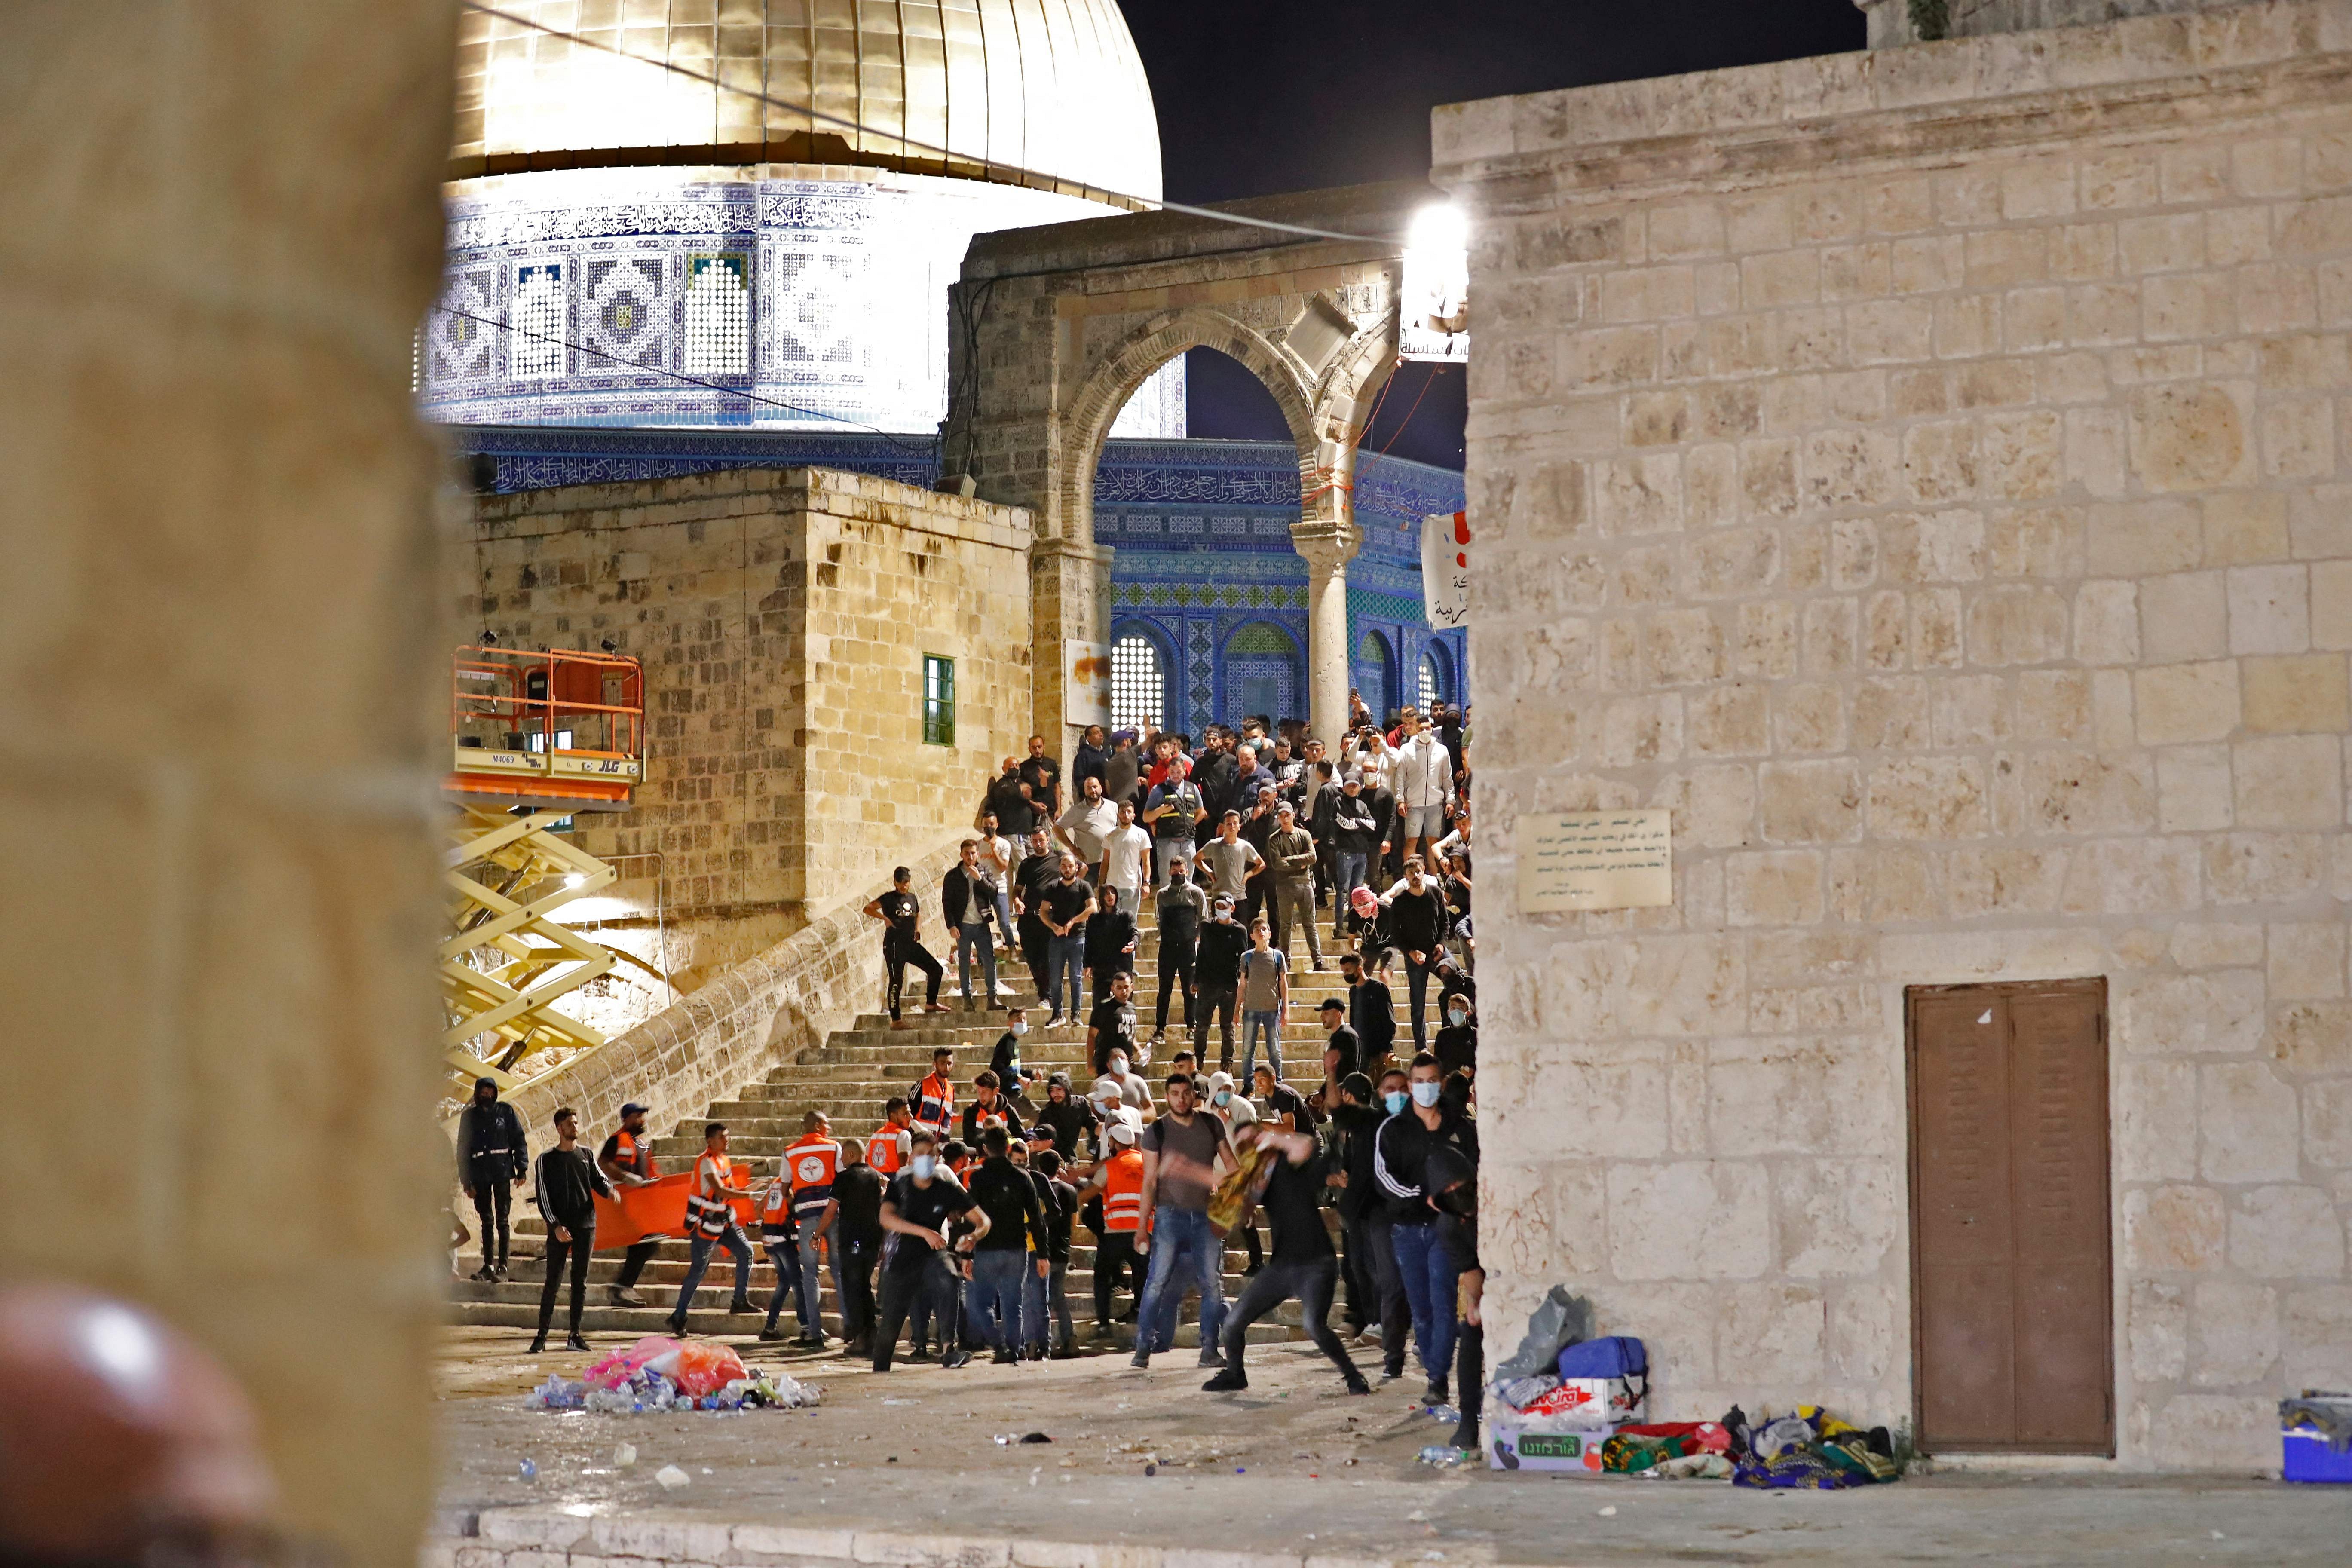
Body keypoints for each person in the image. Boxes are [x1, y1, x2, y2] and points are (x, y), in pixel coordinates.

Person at [1200, 1118, 1368, 1395]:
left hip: (1316, 1263)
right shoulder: (1255, 1181)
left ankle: (1353, 1377)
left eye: (1252, 1140)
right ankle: (1235, 1374)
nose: (1249, 1148)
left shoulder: (1290, 1161)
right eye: (1242, 1144)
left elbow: (1308, 1144)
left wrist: (1267, 1138)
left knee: (1313, 1325)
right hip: (1282, 1266)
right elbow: (1224, 1213)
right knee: (1232, 1324)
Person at [1374, 1053, 1481, 1404]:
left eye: (1432, 1081)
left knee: (1443, 1302)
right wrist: (1423, 1195)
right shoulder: (1393, 1129)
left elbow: (1478, 1171)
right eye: (1418, 1082)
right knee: (1420, 1308)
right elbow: (1384, 1178)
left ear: (1442, 1083)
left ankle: (1437, 1378)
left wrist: (1458, 1204)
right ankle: (1436, 1370)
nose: (1426, 1088)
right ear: (1409, 1085)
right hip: (1406, 1230)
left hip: (1446, 1229)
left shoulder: (1460, 1128)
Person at [1130, 1072, 1236, 1369]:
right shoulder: (1157, 1131)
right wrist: (1142, 1228)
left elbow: (1232, 1167)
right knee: (1156, 1283)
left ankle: (1210, 1350)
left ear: (1194, 1095)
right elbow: (1149, 1181)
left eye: (1186, 1093)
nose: (1181, 1099)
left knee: (1212, 1285)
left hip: (1206, 1215)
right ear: (1167, 1097)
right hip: (1168, 1216)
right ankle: (1142, 1348)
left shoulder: (1211, 1123)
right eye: (1175, 1093)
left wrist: (1233, 1201)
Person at [873, 1132, 979, 1371]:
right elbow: (886, 1218)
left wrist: (973, 1237)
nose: (926, 1160)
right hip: (903, 1255)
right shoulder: (901, 1182)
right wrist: (923, 1232)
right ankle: (884, 1364)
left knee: (949, 1279)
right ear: (911, 1158)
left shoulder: (945, 1184)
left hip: (935, 1250)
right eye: (920, 1155)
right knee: (892, 1321)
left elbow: (980, 1218)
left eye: (931, 1155)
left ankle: (948, 1348)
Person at [528, 1106, 616, 1354]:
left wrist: (610, 1190)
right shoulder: (546, 1159)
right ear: (560, 1128)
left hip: (585, 1225)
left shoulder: (586, 1155)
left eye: (577, 1123)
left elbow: (600, 1180)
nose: (575, 1127)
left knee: (581, 1282)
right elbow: (543, 1197)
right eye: (570, 1124)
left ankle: (574, 1335)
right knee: (553, 1282)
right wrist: (555, 1225)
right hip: (560, 1227)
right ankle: (541, 1336)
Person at [960, 1125, 1047, 1362]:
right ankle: (1014, 1349)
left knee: (981, 1304)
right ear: (1008, 1148)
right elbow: (1037, 1219)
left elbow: (971, 1216)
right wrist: (1043, 1253)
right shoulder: (1022, 1177)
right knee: (1013, 1304)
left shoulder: (977, 1178)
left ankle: (1000, 1346)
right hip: (1017, 1248)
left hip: (986, 1249)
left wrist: (966, 1254)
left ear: (985, 1149)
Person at [1344, 1069, 1412, 1363]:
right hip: (1373, 1211)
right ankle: (1390, 1344)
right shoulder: (1368, 1126)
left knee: (1399, 1276)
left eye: (1401, 1088)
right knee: (1378, 1276)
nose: (1395, 1094)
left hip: (1403, 1211)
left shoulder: (1412, 1125)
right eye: (1389, 1089)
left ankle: (1406, 1335)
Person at [666, 1122, 756, 1333]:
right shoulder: (705, 1163)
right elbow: (721, 1190)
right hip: (705, 1224)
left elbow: (731, 1190)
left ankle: (739, 1300)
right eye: (723, 1137)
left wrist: (754, 1188)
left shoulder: (724, 1160)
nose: (728, 1140)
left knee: (747, 1253)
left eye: (728, 1136)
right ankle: (678, 1316)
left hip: (724, 1221)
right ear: (710, 1141)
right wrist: (751, 1196)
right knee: (699, 1269)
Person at [1424, 1144, 1485, 1453]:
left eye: (1460, 1185)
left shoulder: (1495, 1200)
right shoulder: (1449, 1227)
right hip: (1485, 1281)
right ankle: (1469, 1422)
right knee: (1470, 1336)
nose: (1457, 1192)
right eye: (1448, 1191)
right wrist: (1477, 1304)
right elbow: (1471, 1271)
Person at [1072, 1111, 1148, 1336]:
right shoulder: (1146, 1163)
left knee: (1101, 1275)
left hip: (1115, 1232)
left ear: (1114, 1143)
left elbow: (1088, 1195)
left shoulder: (1111, 1166)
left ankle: (1104, 1323)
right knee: (1142, 1275)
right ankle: (1141, 1315)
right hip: (1143, 1231)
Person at [456, 1077, 528, 1282]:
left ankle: (503, 1266)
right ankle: (488, 1264)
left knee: (502, 1220)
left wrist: (521, 1168)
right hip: (480, 1174)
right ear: (478, 1094)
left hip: (502, 1172)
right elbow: (463, 1150)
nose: (487, 1097)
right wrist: (466, 1181)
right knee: (486, 1220)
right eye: (483, 1093)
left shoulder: (505, 1112)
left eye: (491, 1093)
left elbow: (518, 1139)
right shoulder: (469, 1118)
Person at [781, 1110, 843, 1347]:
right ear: (817, 1125)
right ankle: (851, 1327)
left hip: (807, 1219)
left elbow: (784, 1187)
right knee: (838, 1270)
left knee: (810, 1274)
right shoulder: (833, 1147)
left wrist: (793, 1208)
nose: (829, 1128)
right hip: (832, 1215)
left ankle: (814, 1333)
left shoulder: (790, 1151)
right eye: (826, 1124)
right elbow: (842, 1177)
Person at [1380, 857, 1451, 1050]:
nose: (1416, 876)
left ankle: (1452, 1033)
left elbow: (1445, 923)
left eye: (1418, 872)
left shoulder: (1435, 893)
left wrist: (1442, 945)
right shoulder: (1400, 901)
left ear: (1424, 871)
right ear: (1406, 877)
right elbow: (1395, 934)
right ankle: (1422, 1048)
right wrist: (1411, 953)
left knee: (1457, 982)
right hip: (1415, 958)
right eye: (1411, 873)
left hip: (1437, 951)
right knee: (1417, 1004)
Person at [867, 866, 950, 1028]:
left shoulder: (912, 898)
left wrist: (918, 929)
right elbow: (868, 908)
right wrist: (885, 918)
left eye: (907, 882)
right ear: (895, 883)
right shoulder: (889, 898)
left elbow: (918, 913)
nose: (904, 885)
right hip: (894, 945)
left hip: (910, 944)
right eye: (901, 882)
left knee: (936, 969)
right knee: (897, 981)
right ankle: (896, 1019)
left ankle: (931, 1003)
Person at [597, 1100, 662, 1307]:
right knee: (646, 1242)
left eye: (643, 1115)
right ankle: (623, 1286)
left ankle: (624, 1287)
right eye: (638, 1116)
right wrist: (625, 1177)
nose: (642, 1119)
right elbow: (603, 1163)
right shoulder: (617, 1140)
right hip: (626, 1203)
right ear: (627, 1119)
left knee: (646, 1244)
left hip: (642, 1203)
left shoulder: (640, 1143)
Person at [830, 1139, 889, 1356]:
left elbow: (831, 1209)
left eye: (844, 1154)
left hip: (852, 1242)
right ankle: (871, 1333)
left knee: (853, 1289)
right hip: (872, 1241)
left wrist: (817, 1233)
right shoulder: (877, 1177)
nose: (842, 1158)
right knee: (864, 1286)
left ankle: (860, 1337)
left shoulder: (844, 1178)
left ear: (853, 1154)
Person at [754, 1144, 813, 1343]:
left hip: (770, 1240)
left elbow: (759, 1208)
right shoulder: (792, 1186)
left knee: (785, 1282)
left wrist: (774, 1217)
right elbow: (794, 1209)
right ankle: (806, 1328)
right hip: (783, 1240)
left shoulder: (775, 1184)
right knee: (798, 1283)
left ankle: (770, 1327)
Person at [1152, 853, 1206, 1047]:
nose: (1178, 874)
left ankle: (1191, 1026)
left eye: (1181, 871)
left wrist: (1196, 939)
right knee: (1164, 990)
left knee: (1190, 989)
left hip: (1188, 948)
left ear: (1187, 871)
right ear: (1169, 872)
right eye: (1174, 872)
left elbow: (1204, 919)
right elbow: (1159, 920)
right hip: (1167, 947)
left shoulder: (1196, 893)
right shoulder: (1162, 894)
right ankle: (1160, 1029)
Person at [1036, 850, 1095, 1028]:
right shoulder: (1053, 887)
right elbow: (1043, 911)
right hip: (1057, 938)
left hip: (1078, 938)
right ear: (1060, 868)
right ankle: (1057, 1013)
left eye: (1071, 866)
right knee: (1055, 977)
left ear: (1077, 868)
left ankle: (1076, 1014)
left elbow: (1093, 908)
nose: (1067, 869)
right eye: (1064, 866)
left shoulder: (1084, 886)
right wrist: (1054, 927)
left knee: (1076, 977)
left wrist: (1073, 921)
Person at [1263, 800, 1324, 970]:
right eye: (1281, 816)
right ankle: (1286, 961)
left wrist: (1290, 860)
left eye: (1287, 815)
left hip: (1305, 884)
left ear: (1293, 815)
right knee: (1285, 924)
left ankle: (1318, 960)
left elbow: (1313, 857)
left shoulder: (1304, 835)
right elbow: (1277, 864)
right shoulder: (1274, 839)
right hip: (1285, 885)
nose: (1285, 819)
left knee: (1310, 924)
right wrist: (1300, 862)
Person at [1192, 891, 1248, 1071]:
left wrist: (1244, 985)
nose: (1221, 910)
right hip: (1208, 984)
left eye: (1224, 907)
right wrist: (1196, 980)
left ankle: (1227, 1064)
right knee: (1202, 1026)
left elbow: (1244, 960)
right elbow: (1201, 955)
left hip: (1229, 986)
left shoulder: (1240, 930)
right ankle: (1199, 1061)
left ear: (1233, 908)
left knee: (1227, 1027)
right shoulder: (1207, 926)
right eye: (1218, 907)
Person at [1391, 711, 1455, 870]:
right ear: (1416, 730)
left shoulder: (1442, 750)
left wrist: (1451, 800)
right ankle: (1410, 874)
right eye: (1421, 729)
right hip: (1414, 804)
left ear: (1432, 728)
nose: (1424, 732)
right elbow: (1400, 777)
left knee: (1433, 843)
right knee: (1411, 841)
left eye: (1427, 728)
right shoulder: (1406, 749)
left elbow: (1447, 777)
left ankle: (1434, 879)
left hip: (1435, 803)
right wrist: (1400, 800)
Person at [943, 839, 999, 1012]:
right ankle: (967, 998)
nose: (970, 857)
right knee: (964, 963)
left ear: (978, 854)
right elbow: (947, 903)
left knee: (989, 960)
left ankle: (992, 997)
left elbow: (994, 892)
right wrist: (951, 925)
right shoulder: (953, 876)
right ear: (961, 855)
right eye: (967, 853)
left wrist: (980, 879)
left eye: (973, 853)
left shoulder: (984, 870)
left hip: (981, 923)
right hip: (963, 925)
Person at [1034, 1148, 1081, 1357]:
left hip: (1038, 1250)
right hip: (1061, 1251)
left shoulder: (1035, 1189)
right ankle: (1069, 1340)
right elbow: (1074, 1223)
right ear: (1059, 1167)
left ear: (1039, 1168)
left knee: (1036, 1298)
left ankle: (1036, 1343)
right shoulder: (1070, 1191)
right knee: (1059, 1297)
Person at [1326, 772, 1381, 938]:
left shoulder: (1362, 804)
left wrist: (1357, 822)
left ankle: (1353, 927)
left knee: (1356, 892)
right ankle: (1339, 927)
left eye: (1355, 785)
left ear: (1359, 787)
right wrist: (1360, 824)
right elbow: (1344, 824)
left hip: (1361, 853)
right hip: (1345, 852)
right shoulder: (1338, 802)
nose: (1352, 788)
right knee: (1343, 889)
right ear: (1344, 787)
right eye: (1349, 785)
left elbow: (1373, 825)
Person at [1237, 919, 1289, 1085]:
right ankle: (1249, 1084)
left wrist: (1286, 1009)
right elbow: (1243, 984)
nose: (1261, 932)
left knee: (1275, 1049)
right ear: (1252, 936)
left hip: (1272, 1008)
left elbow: (1283, 982)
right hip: (1251, 1008)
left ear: (1270, 934)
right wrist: (1236, 1010)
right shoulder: (1247, 957)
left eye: (1264, 929)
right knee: (1247, 1050)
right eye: (1258, 930)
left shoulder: (1277, 956)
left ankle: (1277, 1082)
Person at [1142, 759, 1207, 888]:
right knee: (1167, 882)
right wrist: (1161, 810)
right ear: (1168, 772)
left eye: (1179, 772)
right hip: (1168, 841)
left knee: (1188, 882)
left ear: (1184, 772)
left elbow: (1201, 812)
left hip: (1188, 841)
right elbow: (1146, 817)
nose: (1175, 775)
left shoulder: (1192, 788)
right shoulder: (1159, 790)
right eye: (1172, 772)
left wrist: (1191, 824)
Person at [1012, 828, 1060, 997]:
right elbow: (1017, 890)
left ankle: (1046, 994)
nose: (1038, 844)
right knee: (1031, 956)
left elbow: (1081, 868)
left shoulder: (1059, 858)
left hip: (1050, 917)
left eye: (1041, 840)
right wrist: (1017, 901)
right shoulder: (1026, 864)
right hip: (1029, 917)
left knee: (1046, 957)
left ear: (1048, 840)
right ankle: (1043, 988)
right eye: (1035, 841)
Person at [1339, 949, 1396, 1076]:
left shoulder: (1378, 988)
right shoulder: (1353, 991)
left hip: (1376, 1051)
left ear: (1359, 969)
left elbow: (1388, 1020)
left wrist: (1387, 1048)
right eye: (1344, 971)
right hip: (1361, 1052)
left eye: (1348, 970)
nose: (1345, 974)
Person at [1084, 882, 1138, 1004]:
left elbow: (1134, 932)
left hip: (1122, 964)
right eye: (1107, 893)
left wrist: (1134, 944)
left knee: (1125, 1003)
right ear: (1102, 897)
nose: (1110, 895)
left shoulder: (1126, 916)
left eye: (1113, 892)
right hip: (1101, 966)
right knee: (1099, 1004)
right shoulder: (1094, 919)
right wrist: (1087, 964)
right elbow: (1089, 942)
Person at [1030, 1069, 1100, 1163]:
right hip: (1050, 1159)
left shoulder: (1080, 1104)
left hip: (1070, 1156)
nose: (1055, 1094)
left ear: (1067, 1089)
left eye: (1059, 1089)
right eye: (1052, 1091)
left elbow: (1093, 1125)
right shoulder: (1047, 1112)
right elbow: (1038, 1138)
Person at [1200, 809, 1263, 910]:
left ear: (1239, 826)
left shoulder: (1245, 846)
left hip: (1239, 897)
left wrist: (1248, 875)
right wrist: (1210, 873)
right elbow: (1197, 859)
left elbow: (1261, 864)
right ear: (1223, 826)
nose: (1232, 826)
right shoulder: (1214, 845)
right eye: (1229, 824)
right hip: (1219, 896)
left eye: (1235, 823)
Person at [1054, 774, 1118, 872]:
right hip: (1090, 864)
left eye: (1095, 787)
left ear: (1101, 788)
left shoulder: (1113, 806)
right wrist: (1072, 847)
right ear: (1085, 791)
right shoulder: (1077, 811)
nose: (1093, 791)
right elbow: (1057, 827)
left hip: (1112, 861)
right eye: (1089, 788)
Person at [1087, 968, 1141, 1078]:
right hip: (1107, 1064)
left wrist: (1140, 1051)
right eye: (1119, 988)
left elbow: (1129, 1035)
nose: (1124, 991)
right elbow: (1092, 1036)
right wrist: (1090, 1063)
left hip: (1128, 1064)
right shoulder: (1104, 1008)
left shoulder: (1132, 1009)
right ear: (1112, 988)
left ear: (1132, 987)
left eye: (1126, 987)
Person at [1099, 799, 1152, 909]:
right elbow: (1105, 862)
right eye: (1123, 812)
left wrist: (1146, 884)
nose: (1126, 815)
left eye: (1129, 812)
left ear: (1134, 815)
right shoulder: (1110, 834)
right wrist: (1101, 885)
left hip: (1132, 886)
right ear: (1118, 815)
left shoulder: (1141, 834)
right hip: (1112, 886)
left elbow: (1146, 862)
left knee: (1130, 922)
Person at [960, 1068, 1024, 1145]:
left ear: (996, 1091)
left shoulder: (1009, 1111)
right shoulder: (971, 1112)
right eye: (979, 1092)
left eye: (984, 1092)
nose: (981, 1096)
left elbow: (1021, 1138)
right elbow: (969, 1142)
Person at [987, 1006, 1036, 1102]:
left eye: (1024, 1019)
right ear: (1010, 1023)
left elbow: (1012, 1069)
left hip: (1014, 1093)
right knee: (1038, 1115)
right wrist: (1019, 1079)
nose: (1022, 1022)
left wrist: (1031, 1074)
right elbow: (997, 1071)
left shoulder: (1014, 1042)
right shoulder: (1006, 1043)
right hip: (1008, 1095)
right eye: (1018, 1019)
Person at [910, 1046, 956, 1140]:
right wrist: (921, 1133)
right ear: (934, 1064)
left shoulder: (951, 1089)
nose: (946, 1068)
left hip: (940, 1143)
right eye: (943, 1063)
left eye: (949, 1063)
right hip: (921, 1141)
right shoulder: (923, 1084)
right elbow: (909, 1115)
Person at [1253, 1063, 1313, 1132]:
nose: (1258, 1083)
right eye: (1256, 1080)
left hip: (1309, 1141)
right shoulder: (1268, 1096)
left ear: (1273, 1078)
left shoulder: (1284, 1095)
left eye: (1262, 1079)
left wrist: (1262, 1124)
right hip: (1296, 1140)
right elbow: (1283, 1123)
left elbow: (1290, 1129)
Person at [1318, 996, 1364, 1088]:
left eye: (1326, 1013)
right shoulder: (1338, 1036)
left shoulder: (1346, 1036)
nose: (1322, 1017)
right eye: (1322, 1014)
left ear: (1338, 1014)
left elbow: (1345, 1071)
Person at [1434, 990, 1478, 1085]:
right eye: (1453, 1008)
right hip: (1448, 1087)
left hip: (1470, 1085)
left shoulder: (1476, 1035)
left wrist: (1473, 1072)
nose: (1457, 1012)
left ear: (1468, 1013)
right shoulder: (1442, 1035)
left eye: (1461, 1008)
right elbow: (1437, 1063)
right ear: (1449, 1012)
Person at [985, 756, 1035, 839]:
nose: (1015, 768)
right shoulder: (1001, 785)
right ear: (1004, 769)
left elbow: (1028, 796)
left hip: (1026, 832)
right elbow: (1012, 793)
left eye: (1017, 765)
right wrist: (1022, 788)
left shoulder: (1020, 782)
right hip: (1012, 833)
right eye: (1011, 766)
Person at [866, 1096, 915, 1177]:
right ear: (893, 1116)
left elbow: (865, 1157)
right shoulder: (903, 1135)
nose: (911, 1117)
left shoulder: (875, 1135)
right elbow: (905, 1167)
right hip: (894, 1183)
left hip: (875, 1181)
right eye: (906, 1114)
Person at [1020, 734, 1065, 823]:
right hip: (1033, 813)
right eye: (1034, 748)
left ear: (1044, 747)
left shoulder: (1051, 764)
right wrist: (1034, 805)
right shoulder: (1024, 767)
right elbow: (1022, 793)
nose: (1037, 750)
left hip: (1052, 812)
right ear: (1030, 749)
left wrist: (1059, 809)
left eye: (1039, 747)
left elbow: (1057, 787)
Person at [1103, 728, 1142, 809]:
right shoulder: (1130, 754)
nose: (1131, 742)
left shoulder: (1109, 763)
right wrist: (1147, 725)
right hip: (1131, 803)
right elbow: (1148, 742)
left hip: (1115, 804)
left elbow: (1108, 787)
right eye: (1129, 740)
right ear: (1125, 742)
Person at [1072, 723, 1109, 796]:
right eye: (1096, 733)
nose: (1101, 735)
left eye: (1101, 732)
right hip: (1092, 796)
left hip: (1106, 796)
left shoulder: (1106, 753)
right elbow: (1079, 778)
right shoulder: (1083, 754)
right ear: (1089, 738)